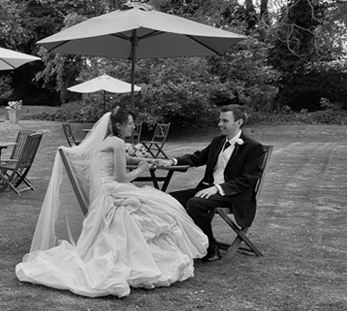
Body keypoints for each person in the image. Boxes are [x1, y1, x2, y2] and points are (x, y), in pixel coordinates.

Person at [15, 108, 208, 298]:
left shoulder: (108, 140)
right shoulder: (117, 141)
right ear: (118, 125)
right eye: (130, 124)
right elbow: (122, 177)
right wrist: (141, 170)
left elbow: (127, 158)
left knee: (156, 203)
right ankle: (149, 256)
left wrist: (149, 160)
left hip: (103, 190)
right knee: (161, 203)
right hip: (111, 191)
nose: (133, 127)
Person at [161, 104, 265, 262]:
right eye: (220, 120)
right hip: (209, 189)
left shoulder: (253, 147)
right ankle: (188, 242)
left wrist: (218, 188)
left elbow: (248, 179)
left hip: (234, 195)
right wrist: (172, 161)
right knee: (168, 199)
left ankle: (212, 248)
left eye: (225, 121)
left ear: (239, 122)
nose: (219, 124)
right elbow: (197, 158)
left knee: (196, 203)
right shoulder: (218, 141)